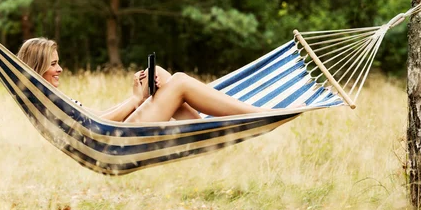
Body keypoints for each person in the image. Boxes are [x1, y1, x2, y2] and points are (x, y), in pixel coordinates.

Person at [17, 37, 274, 123]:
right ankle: (255, 113)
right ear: (37, 67)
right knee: (181, 81)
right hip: (115, 141)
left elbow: (92, 116)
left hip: (111, 133)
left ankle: (201, 130)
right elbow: (97, 125)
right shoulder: (47, 99)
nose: (60, 69)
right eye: (53, 64)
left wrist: (135, 100)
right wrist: (136, 100)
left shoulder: (47, 97)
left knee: (158, 74)